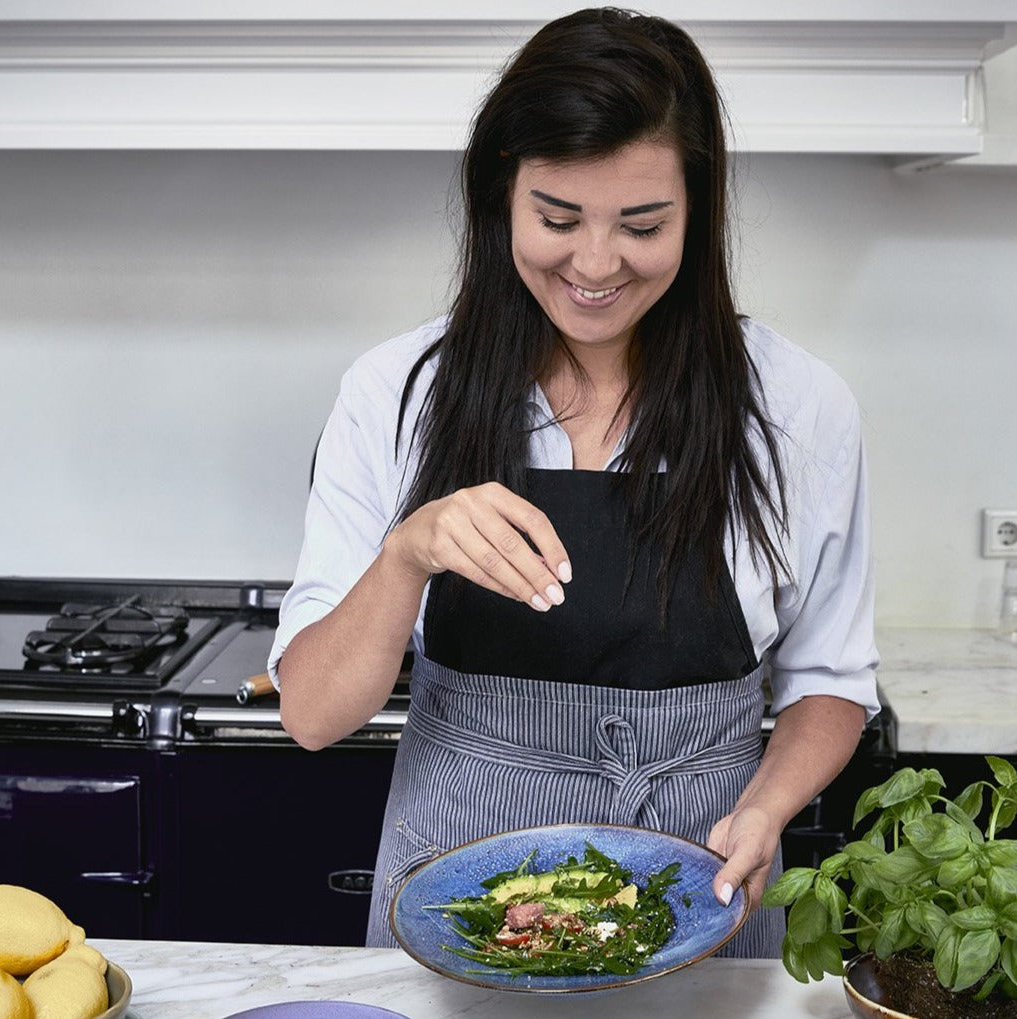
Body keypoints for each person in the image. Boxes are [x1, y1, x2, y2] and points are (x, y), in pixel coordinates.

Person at [268, 7, 879, 958]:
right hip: (455, 900)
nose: (595, 264)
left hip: (702, 890)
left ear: (698, 212)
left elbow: (831, 681)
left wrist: (765, 809)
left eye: (642, 224)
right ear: (499, 198)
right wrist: (407, 554)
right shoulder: (395, 392)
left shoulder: (798, 405)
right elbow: (311, 714)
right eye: (557, 218)